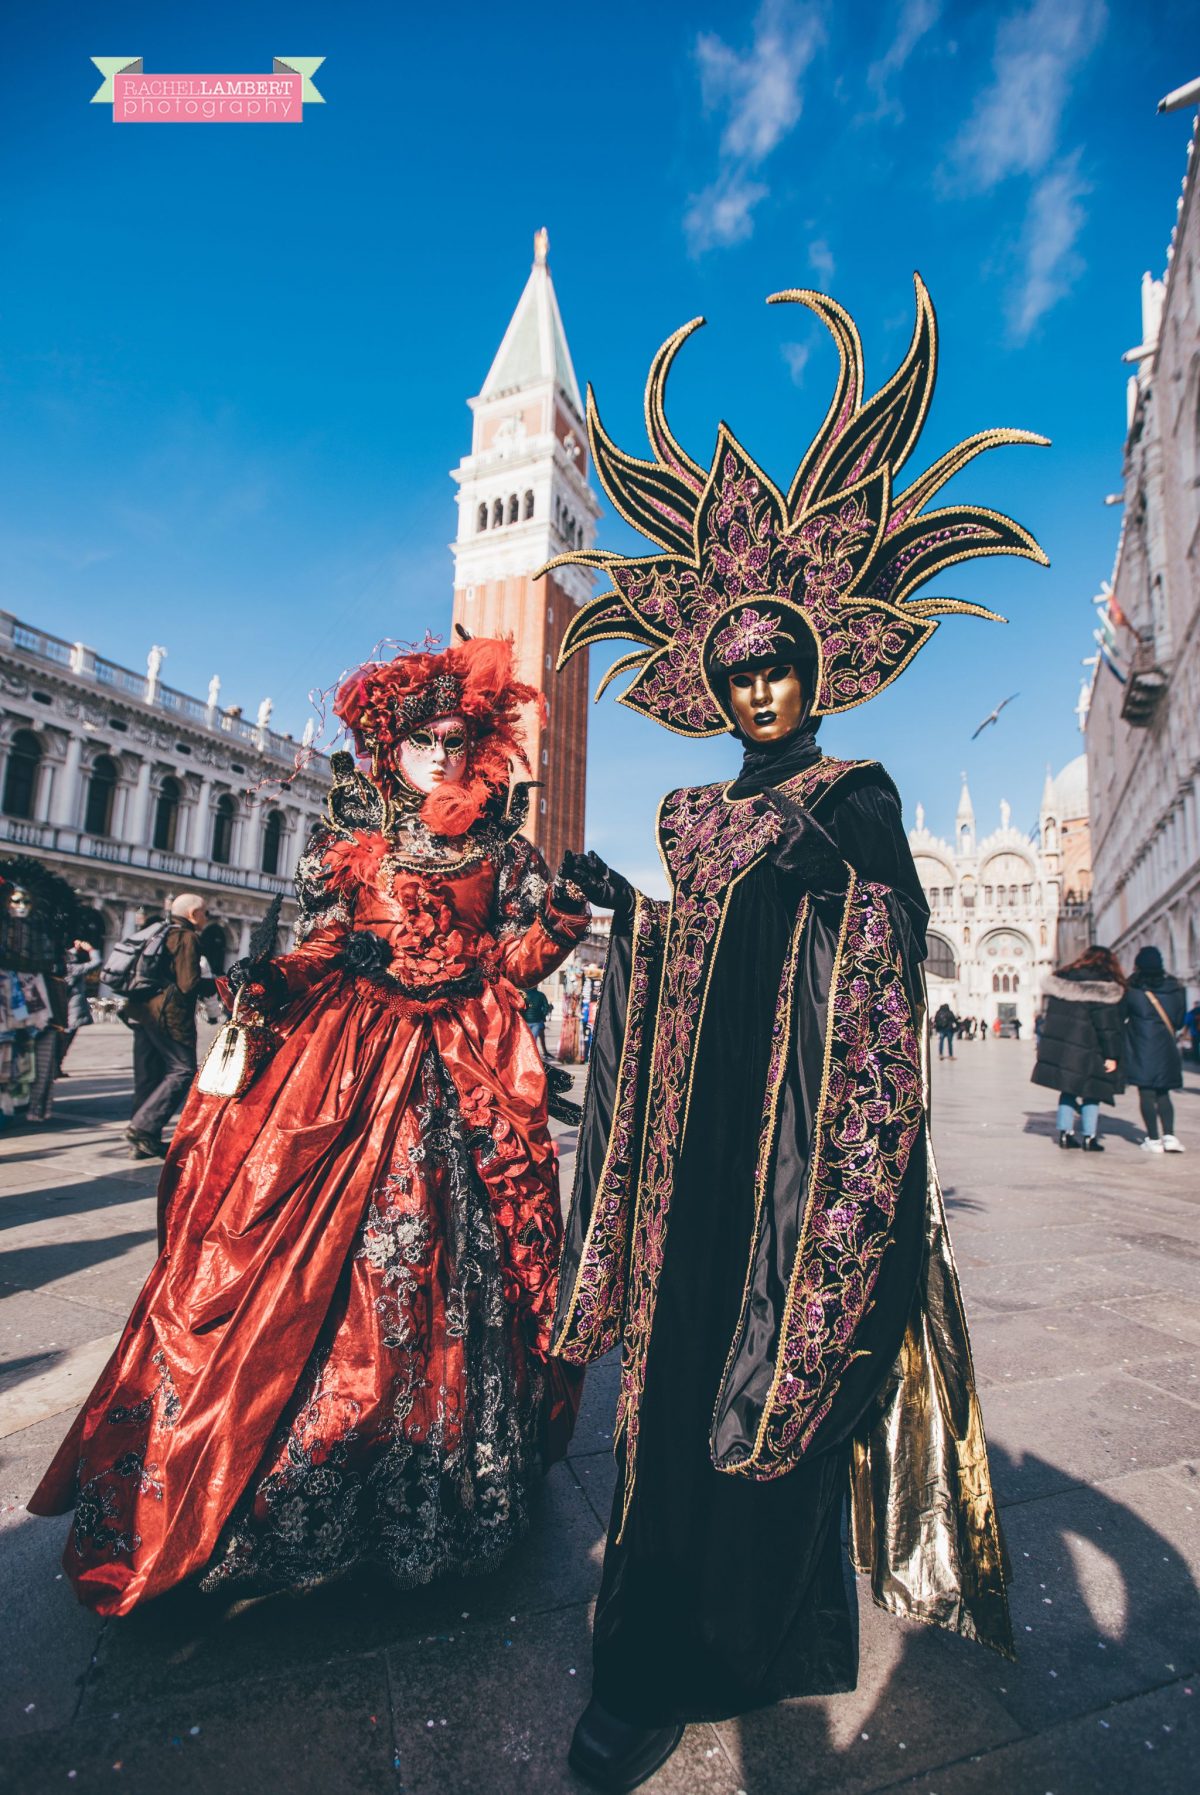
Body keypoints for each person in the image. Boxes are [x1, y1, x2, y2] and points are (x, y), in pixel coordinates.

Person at [545, 275, 1037, 1790]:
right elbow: (691, 959)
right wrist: (626, 909)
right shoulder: (694, 812)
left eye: (779, 667)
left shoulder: (860, 797)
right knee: (668, 1406)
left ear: (817, 674)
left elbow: (875, 982)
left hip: (789, 1179)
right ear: (714, 682)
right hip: (689, 1167)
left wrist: (832, 881)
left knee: (767, 1398)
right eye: (737, 670)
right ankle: (658, 1642)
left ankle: (719, 1648)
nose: (758, 687)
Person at [30, 635, 589, 1616]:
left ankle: (427, 1497)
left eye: (457, 739)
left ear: (481, 744)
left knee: (431, 1274)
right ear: (393, 747)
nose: (440, 755)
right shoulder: (353, 850)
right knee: (290, 1264)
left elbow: (515, 965)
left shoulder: (504, 852)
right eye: (421, 739)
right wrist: (268, 977)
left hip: (451, 1067)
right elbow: (323, 948)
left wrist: (564, 923)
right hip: (342, 1064)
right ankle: (282, 1489)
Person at [125, 893, 211, 1161]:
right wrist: (220, 983)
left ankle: (143, 1141)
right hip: (168, 1016)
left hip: (141, 1011)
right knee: (183, 1070)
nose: (207, 919)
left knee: (148, 1076)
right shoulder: (187, 937)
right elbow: (189, 984)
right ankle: (142, 1128)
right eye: (205, 913)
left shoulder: (157, 931)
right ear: (193, 914)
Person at [1030, 945, 1125, 1151]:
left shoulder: (1064, 980)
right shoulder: (1103, 986)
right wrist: (1111, 1055)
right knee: (1092, 1092)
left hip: (1066, 1050)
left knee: (1068, 1090)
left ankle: (1065, 1134)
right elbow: (1106, 1027)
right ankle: (1089, 1137)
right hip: (1092, 1050)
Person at [1124, 945, 1186, 1153]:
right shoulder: (1174, 987)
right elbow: (1178, 1022)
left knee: (1146, 1093)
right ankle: (1169, 1136)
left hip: (1141, 1045)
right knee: (1164, 1092)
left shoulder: (1132, 988)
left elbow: (1122, 1015)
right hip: (1166, 1046)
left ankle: (1153, 1139)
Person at [56, 939, 101, 1074]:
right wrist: (91, 950)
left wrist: (76, 948)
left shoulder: (64, 968)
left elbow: (68, 956)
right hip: (73, 1011)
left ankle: (56, 1065)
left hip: (63, 1009)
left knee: (63, 1038)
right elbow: (96, 963)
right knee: (66, 1040)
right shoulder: (74, 969)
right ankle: (57, 1066)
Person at [523, 983, 552, 1058]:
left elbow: (521, 1007)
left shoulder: (524, 995)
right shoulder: (541, 995)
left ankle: (527, 1056)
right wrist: (542, 1016)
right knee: (533, 1040)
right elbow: (546, 1007)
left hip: (526, 1021)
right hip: (537, 1021)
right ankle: (532, 1057)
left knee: (526, 1040)